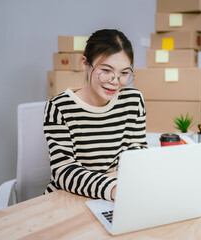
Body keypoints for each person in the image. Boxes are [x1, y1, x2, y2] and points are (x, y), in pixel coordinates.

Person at [43, 29, 147, 201]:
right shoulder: (59, 107)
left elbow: (136, 153)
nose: (115, 80)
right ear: (85, 64)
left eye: (124, 73)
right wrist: (112, 187)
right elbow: (64, 172)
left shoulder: (133, 101)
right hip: (68, 199)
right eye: (106, 70)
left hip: (115, 196)